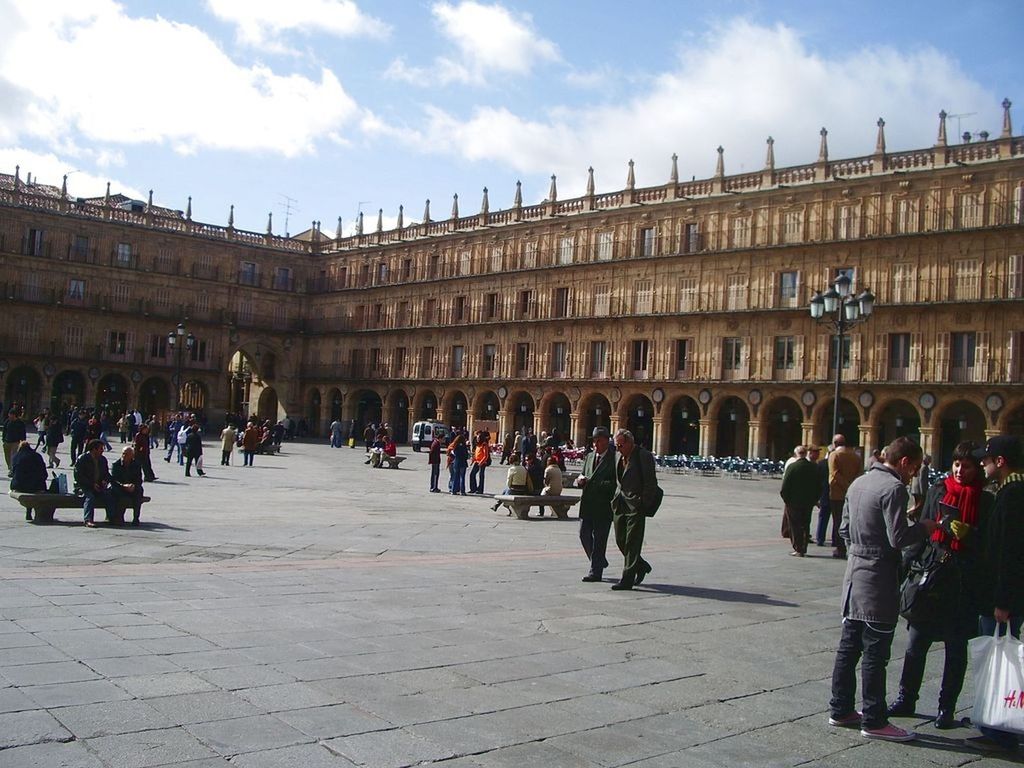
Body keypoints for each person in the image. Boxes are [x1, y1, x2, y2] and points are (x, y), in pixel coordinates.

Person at [827, 437, 936, 742]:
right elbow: (898, 538)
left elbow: (844, 529)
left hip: (854, 576)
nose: (913, 475)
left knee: (849, 647)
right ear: (904, 462)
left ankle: (840, 708)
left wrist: (861, 548)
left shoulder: (858, 483)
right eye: (914, 468)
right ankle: (874, 719)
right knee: (876, 651)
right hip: (878, 579)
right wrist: (924, 528)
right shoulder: (894, 488)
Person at [888, 441, 992, 729]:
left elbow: (989, 545)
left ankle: (946, 708)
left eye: (966, 466)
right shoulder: (938, 490)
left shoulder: (986, 500)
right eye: (956, 464)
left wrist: (970, 534)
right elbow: (922, 530)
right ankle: (906, 698)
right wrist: (906, 568)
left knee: (955, 648)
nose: (959, 470)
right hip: (932, 575)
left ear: (976, 469)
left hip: (963, 583)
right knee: (916, 642)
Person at [964, 435, 1024, 754]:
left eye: (985, 460)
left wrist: (1003, 601)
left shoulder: (1012, 494)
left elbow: (1010, 553)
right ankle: (995, 724)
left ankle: (1000, 729)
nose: (982, 465)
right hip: (1005, 593)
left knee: (998, 661)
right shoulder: (1010, 490)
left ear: (1000, 462)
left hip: (1002, 597)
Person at [609, 429, 657, 591]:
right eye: (616, 445)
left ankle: (627, 579)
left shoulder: (643, 456)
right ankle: (641, 565)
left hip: (636, 505)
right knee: (620, 540)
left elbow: (651, 483)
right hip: (620, 503)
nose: (618, 449)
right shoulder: (618, 455)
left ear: (630, 442)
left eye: (621, 445)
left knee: (632, 542)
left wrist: (642, 503)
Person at [576, 427, 616, 582]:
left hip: (603, 505)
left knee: (600, 539)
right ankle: (599, 560)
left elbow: (615, 483)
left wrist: (594, 483)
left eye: (599, 440)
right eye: (594, 441)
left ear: (606, 441)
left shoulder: (614, 459)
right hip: (587, 503)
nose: (595, 444)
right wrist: (580, 480)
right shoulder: (590, 456)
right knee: (583, 534)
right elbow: (583, 473)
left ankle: (595, 572)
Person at [780, 445, 821, 557]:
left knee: (795, 525)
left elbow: (785, 486)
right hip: (808, 502)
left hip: (793, 502)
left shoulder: (792, 467)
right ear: (806, 453)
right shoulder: (814, 467)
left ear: (796, 454)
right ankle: (804, 547)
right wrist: (815, 499)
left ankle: (798, 548)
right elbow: (819, 486)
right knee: (805, 524)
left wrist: (786, 500)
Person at [828, 434, 863, 559]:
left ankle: (840, 548)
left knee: (838, 521)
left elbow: (834, 473)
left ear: (835, 443)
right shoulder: (855, 456)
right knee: (850, 520)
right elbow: (860, 473)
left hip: (837, 494)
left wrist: (847, 486)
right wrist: (852, 486)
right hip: (853, 494)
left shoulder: (834, 455)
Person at [74, 439, 114, 528]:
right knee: (90, 497)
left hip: (98, 485)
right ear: (94, 449)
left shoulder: (102, 459)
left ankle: (112, 517)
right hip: (83, 486)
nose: (102, 450)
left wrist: (105, 480)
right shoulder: (82, 459)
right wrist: (92, 484)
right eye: (101, 448)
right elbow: (79, 476)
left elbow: (106, 474)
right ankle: (88, 520)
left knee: (109, 495)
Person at [10, 440, 47, 521]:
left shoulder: (16, 456)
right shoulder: (37, 456)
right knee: (36, 487)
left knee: (27, 486)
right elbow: (44, 474)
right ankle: (34, 511)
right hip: (37, 486)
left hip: (19, 486)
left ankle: (28, 510)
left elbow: (13, 473)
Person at [110, 446, 145, 526]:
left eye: (127, 454)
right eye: (123, 454)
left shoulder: (136, 465)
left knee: (139, 491)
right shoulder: (116, 464)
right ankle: (119, 517)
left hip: (131, 487)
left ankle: (136, 518)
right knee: (121, 495)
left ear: (132, 456)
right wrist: (123, 486)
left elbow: (139, 479)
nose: (124, 456)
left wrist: (133, 485)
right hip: (119, 487)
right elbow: (113, 480)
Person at [3, 408, 27, 473]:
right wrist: (3, 439)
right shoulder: (7, 421)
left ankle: (12, 470)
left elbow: (23, 432)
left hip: (16, 442)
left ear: (14, 415)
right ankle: (10, 467)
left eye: (10, 414)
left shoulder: (20, 423)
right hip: (7, 441)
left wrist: (23, 441)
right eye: (9, 414)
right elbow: (4, 431)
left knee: (13, 456)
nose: (9, 416)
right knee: (7, 456)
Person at [908, 454, 932, 521]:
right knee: (920, 505)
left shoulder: (919, 466)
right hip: (919, 490)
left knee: (917, 504)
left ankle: (915, 517)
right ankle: (911, 514)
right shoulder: (925, 468)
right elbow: (922, 480)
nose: (930, 461)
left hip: (915, 489)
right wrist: (923, 492)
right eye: (929, 460)